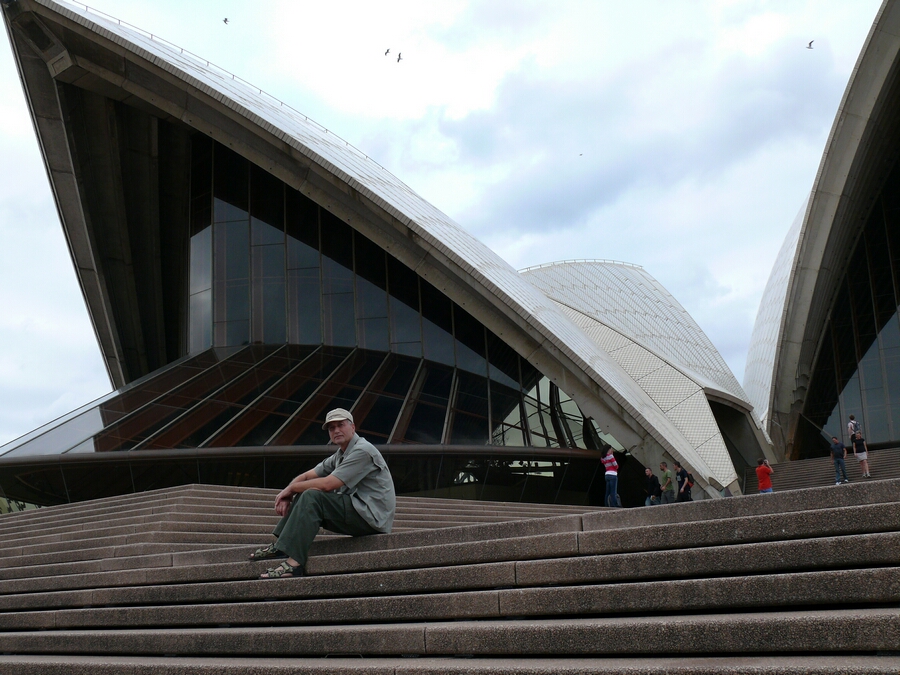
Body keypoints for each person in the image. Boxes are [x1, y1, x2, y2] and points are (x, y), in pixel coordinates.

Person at [251, 408, 396, 579]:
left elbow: (328, 484)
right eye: (331, 428)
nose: (336, 430)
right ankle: (281, 546)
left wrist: (291, 489)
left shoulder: (362, 451)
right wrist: (288, 492)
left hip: (371, 517)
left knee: (312, 496)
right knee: (305, 492)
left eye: (340, 425)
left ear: (353, 427)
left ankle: (294, 564)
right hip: (358, 511)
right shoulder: (340, 455)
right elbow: (307, 476)